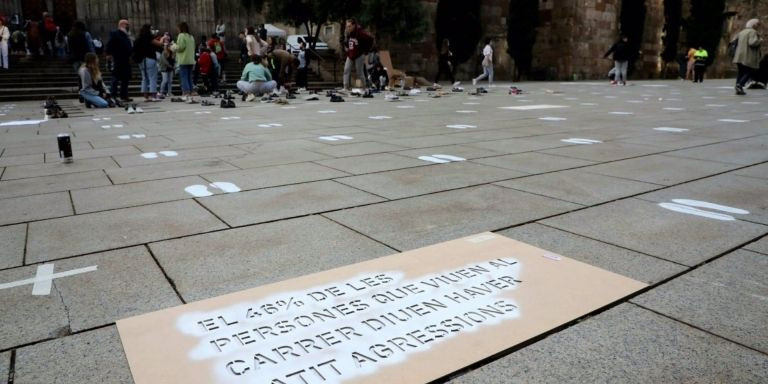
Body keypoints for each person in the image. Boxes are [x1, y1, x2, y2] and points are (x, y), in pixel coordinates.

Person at [733, 19, 763, 95]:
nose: (758, 26)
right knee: (750, 71)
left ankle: (738, 87)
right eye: (757, 24)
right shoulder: (752, 32)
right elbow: (752, 43)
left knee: (741, 72)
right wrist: (760, 40)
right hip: (747, 56)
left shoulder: (742, 32)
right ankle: (740, 85)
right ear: (754, 25)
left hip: (739, 56)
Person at [105, 19, 133, 102]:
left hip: (126, 59)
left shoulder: (126, 34)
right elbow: (109, 44)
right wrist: (108, 54)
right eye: (126, 24)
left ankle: (124, 96)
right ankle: (113, 95)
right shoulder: (115, 33)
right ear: (122, 25)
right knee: (115, 78)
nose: (128, 26)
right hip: (118, 59)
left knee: (125, 78)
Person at [134, 24, 163, 102]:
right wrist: (162, 39)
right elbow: (160, 44)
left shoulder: (138, 38)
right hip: (149, 59)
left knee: (144, 78)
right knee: (152, 77)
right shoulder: (148, 37)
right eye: (151, 29)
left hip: (141, 60)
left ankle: (146, 96)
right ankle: (153, 95)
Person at [343, 18, 373, 90]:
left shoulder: (360, 32)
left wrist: (366, 51)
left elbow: (370, 39)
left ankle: (364, 87)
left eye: (349, 26)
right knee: (346, 70)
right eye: (347, 26)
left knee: (359, 72)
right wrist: (347, 46)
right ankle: (345, 86)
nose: (348, 28)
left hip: (359, 54)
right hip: (350, 54)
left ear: (354, 25)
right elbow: (347, 41)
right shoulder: (348, 32)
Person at [173, 22, 196, 103]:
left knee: (184, 77)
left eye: (178, 28)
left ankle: (186, 94)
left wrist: (173, 46)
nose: (177, 29)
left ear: (181, 28)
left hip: (184, 60)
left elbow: (180, 48)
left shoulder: (181, 35)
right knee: (189, 77)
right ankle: (191, 92)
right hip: (191, 60)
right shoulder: (191, 36)